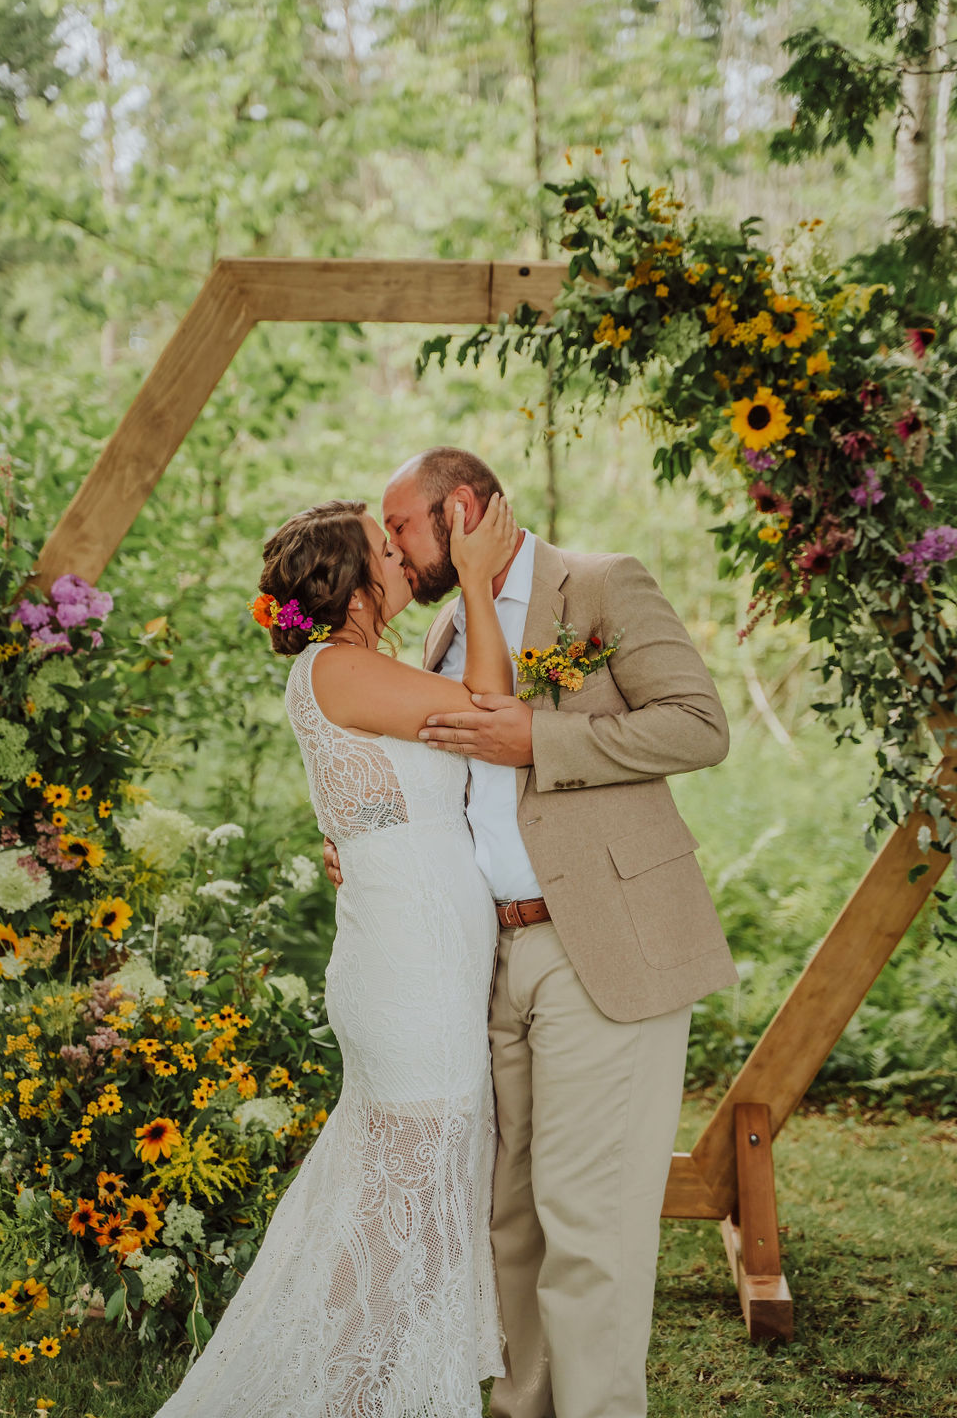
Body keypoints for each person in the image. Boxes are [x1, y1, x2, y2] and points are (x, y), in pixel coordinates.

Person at [327, 448, 738, 1418]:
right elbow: (436, 784)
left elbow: (698, 725)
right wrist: (365, 848)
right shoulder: (438, 633)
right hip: (487, 959)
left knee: (588, 1223)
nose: (391, 552)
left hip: (601, 943)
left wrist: (540, 742)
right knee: (509, 1217)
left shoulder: (599, 586)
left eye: (402, 532)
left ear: (461, 512)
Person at [154, 492, 519, 1418]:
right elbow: (492, 708)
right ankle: (349, 1392)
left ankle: (360, 1388)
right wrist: (476, 579)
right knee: (406, 1208)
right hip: (410, 969)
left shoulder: (354, 668)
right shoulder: (341, 671)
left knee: (402, 1200)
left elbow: (398, 799)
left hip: (418, 955)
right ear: (354, 585)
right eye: (383, 547)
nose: (401, 555)